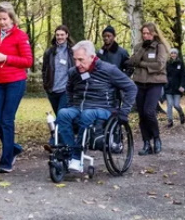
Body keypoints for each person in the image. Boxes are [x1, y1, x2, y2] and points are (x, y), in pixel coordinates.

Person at [56, 40, 137, 172]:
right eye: (75, 59)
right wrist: (71, 104)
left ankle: (76, 157)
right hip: (79, 108)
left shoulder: (109, 70)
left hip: (104, 109)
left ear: (92, 57)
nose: (77, 64)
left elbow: (131, 88)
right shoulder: (74, 72)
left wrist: (124, 111)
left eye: (81, 60)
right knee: (63, 113)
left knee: (88, 113)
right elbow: (69, 89)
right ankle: (71, 153)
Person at [0, 2, 33, 173]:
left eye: (4, 19)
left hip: (16, 82)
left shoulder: (20, 36)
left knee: (6, 120)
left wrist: (6, 58)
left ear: (11, 18)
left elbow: (28, 61)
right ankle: (13, 147)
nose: (2, 22)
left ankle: (7, 160)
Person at [129, 22, 169, 155]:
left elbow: (159, 65)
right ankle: (146, 143)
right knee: (141, 114)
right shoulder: (138, 47)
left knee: (149, 111)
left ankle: (156, 138)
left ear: (154, 33)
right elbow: (133, 62)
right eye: (144, 33)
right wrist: (141, 51)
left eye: (148, 33)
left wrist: (142, 64)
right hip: (139, 82)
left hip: (155, 83)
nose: (145, 35)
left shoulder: (160, 47)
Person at [42, 25, 74, 115]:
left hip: (66, 90)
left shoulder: (72, 51)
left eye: (62, 35)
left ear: (67, 35)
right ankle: (62, 129)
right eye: (57, 35)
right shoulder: (49, 52)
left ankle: (57, 129)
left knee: (61, 114)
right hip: (52, 90)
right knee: (58, 115)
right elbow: (44, 70)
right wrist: (46, 85)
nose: (60, 37)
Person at [164, 48, 185, 127]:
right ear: (170, 55)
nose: (173, 55)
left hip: (177, 88)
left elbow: (183, 76)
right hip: (168, 87)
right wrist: (165, 84)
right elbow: (164, 74)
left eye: (175, 53)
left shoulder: (180, 63)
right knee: (169, 104)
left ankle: (181, 114)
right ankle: (170, 121)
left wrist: (182, 86)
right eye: (172, 53)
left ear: (177, 54)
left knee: (176, 105)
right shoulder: (167, 63)